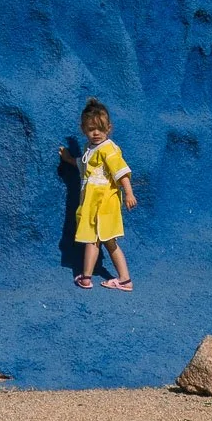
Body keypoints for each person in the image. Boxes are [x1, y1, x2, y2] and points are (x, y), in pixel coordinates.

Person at [61, 97, 136, 290]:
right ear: (83, 129)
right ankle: (87, 278)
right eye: (91, 129)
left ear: (108, 128)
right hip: (91, 204)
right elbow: (83, 165)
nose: (96, 133)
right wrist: (70, 159)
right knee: (94, 239)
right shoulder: (89, 148)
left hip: (105, 204)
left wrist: (128, 192)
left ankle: (124, 279)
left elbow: (120, 171)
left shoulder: (108, 149)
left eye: (100, 129)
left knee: (109, 241)